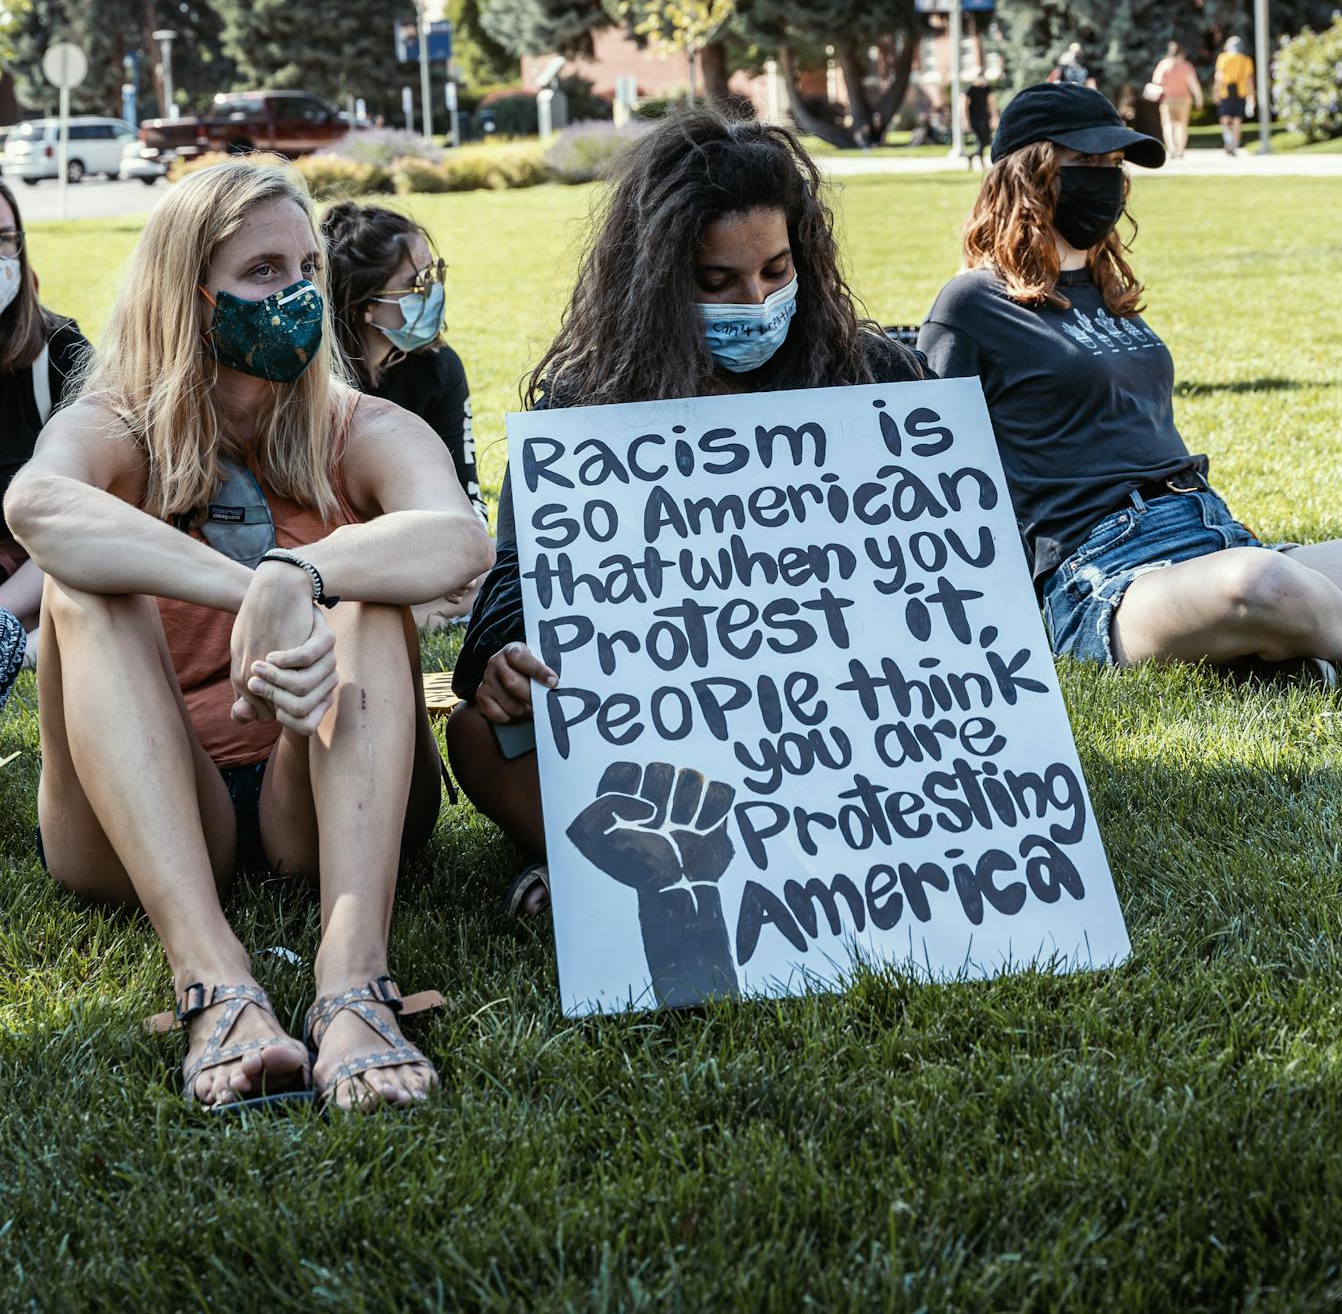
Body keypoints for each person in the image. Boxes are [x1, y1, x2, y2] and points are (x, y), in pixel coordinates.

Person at [4, 159, 492, 1111]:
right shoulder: (118, 424)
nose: (298, 293)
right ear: (189, 295)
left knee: (372, 588)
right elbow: (39, 503)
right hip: (154, 796)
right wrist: (248, 591)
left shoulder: (359, 423)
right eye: (263, 272)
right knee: (80, 593)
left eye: (306, 268)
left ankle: (353, 985)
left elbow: (455, 536)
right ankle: (216, 987)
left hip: (317, 783)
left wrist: (301, 573)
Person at [445, 108, 929, 915]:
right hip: (662, 728)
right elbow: (522, 567)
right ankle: (620, 869)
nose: (757, 299)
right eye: (718, 283)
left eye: (776, 271)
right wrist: (506, 654)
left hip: (836, 711)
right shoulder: (586, 402)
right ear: (659, 278)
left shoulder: (872, 375)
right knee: (477, 736)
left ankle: (600, 876)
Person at [917, 83, 1342, 677]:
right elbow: (933, 474)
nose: (1107, 180)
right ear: (1030, 172)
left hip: (1211, 530)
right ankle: (1309, 638)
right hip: (1102, 570)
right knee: (1266, 583)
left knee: (1282, 572)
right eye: (1087, 163)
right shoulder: (972, 303)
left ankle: (1297, 650)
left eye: (1113, 165)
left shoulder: (1105, 288)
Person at [322, 202, 488, 624]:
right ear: (366, 307)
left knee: (489, 575)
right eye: (416, 286)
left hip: (417, 555)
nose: (432, 293)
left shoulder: (439, 367)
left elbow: (465, 491)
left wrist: (463, 561)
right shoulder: (316, 381)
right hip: (346, 560)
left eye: (434, 274)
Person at [0, 178, 90, 710]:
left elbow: (107, 499)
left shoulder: (58, 352)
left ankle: (17, 636)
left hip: (40, 564)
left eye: (5, 238)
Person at [1149, 42, 1203, 161]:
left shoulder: (1164, 64)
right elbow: (1193, 84)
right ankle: (1180, 150)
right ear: (1182, 53)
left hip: (1168, 100)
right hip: (1184, 100)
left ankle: (1172, 149)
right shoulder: (1186, 66)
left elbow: (1156, 80)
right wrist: (1199, 98)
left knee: (1168, 124)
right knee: (1182, 125)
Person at [1212, 35, 1254, 155]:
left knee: (1225, 118)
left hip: (1226, 91)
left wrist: (1215, 92)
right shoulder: (1246, 60)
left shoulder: (1223, 58)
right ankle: (1234, 144)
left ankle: (1228, 141)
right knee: (1237, 120)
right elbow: (1249, 80)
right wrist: (1251, 96)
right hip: (1240, 92)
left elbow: (1219, 76)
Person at [963, 73, 997, 170]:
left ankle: (970, 156)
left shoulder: (986, 89)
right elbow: (964, 107)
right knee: (981, 141)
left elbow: (991, 103)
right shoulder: (970, 89)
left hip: (984, 117)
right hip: (974, 119)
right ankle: (981, 161)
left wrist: (994, 117)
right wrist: (966, 121)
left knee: (986, 141)